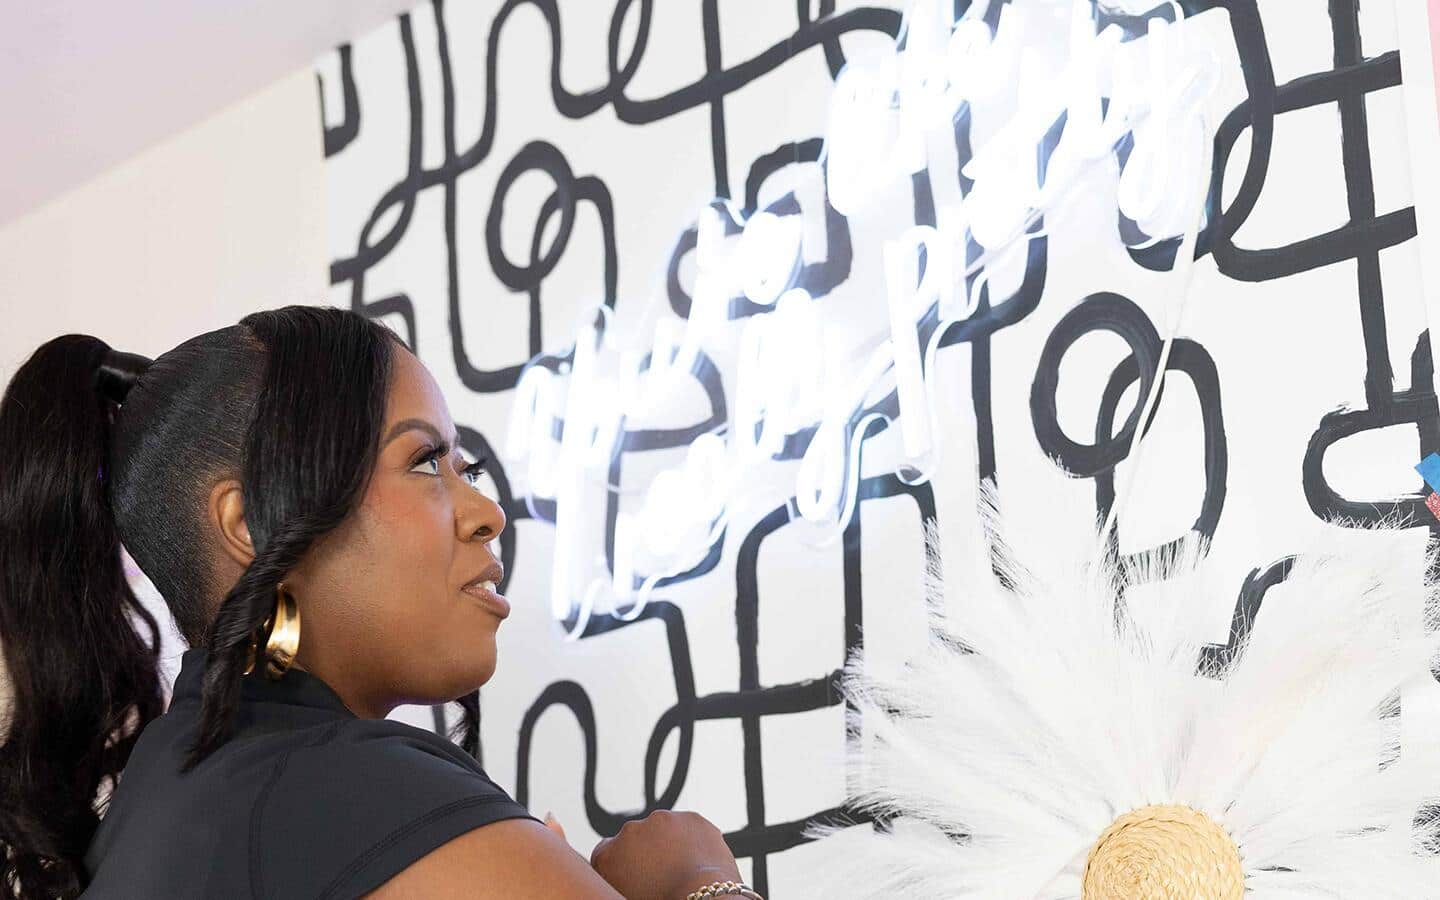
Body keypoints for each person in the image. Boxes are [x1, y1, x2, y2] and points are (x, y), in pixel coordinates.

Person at [0, 306, 757, 899]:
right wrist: (695, 877)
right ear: (252, 523)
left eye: (466, 466)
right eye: (426, 461)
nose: (485, 511)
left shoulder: (149, 819)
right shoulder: (340, 787)